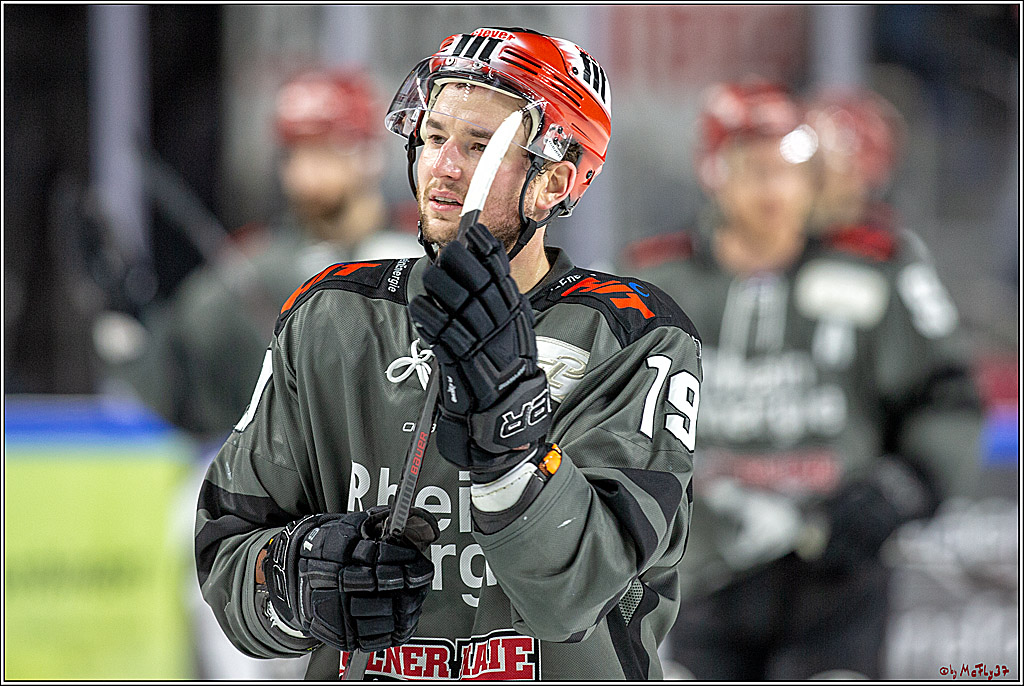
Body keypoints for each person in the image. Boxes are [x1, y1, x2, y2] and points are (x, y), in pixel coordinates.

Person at [195, 27, 702, 681]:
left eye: (481, 145)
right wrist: (298, 579)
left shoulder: (634, 337)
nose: (443, 166)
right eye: (434, 137)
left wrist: (510, 440)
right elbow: (230, 557)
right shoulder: (328, 318)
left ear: (555, 182)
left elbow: (574, 598)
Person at [627, 79, 981, 680]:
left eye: (789, 166)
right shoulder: (654, 282)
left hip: (837, 580)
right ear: (713, 172)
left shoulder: (873, 269)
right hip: (695, 580)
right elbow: (602, 414)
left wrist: (904, 487)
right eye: (752, 167)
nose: (774, 186)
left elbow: (945, 398)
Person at [94, 67, 421, 444]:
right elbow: (176, 394)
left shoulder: (423, 253)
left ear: (369, 154)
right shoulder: (245, 271)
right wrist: (125, 331)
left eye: (324, 149)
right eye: (295, 153)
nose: (305, 173)